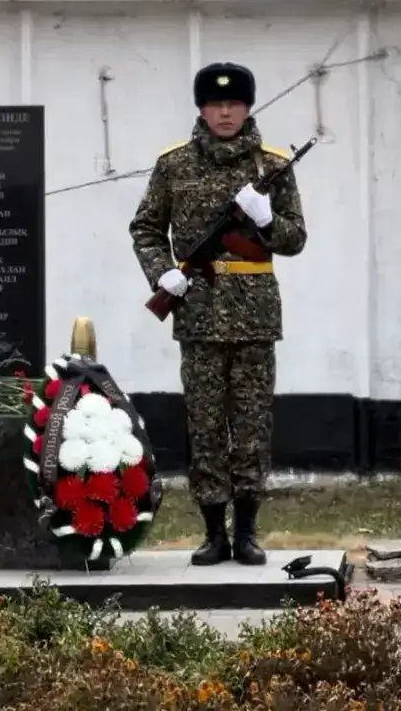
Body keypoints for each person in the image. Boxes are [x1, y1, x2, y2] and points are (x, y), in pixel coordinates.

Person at [128, 62, 307, 566]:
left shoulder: (272, 166)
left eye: (233, 104)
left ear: (247, 107)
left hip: (254, 317)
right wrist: (162, 274)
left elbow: (295, 239)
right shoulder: (175, 165)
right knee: (205, 427)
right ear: (201, 108)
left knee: (251, 427)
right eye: (215, 104)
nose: (224, 112)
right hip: (199, 315)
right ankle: (213, 534)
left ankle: (247, 532)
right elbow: (145, 228)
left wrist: (268, 219)